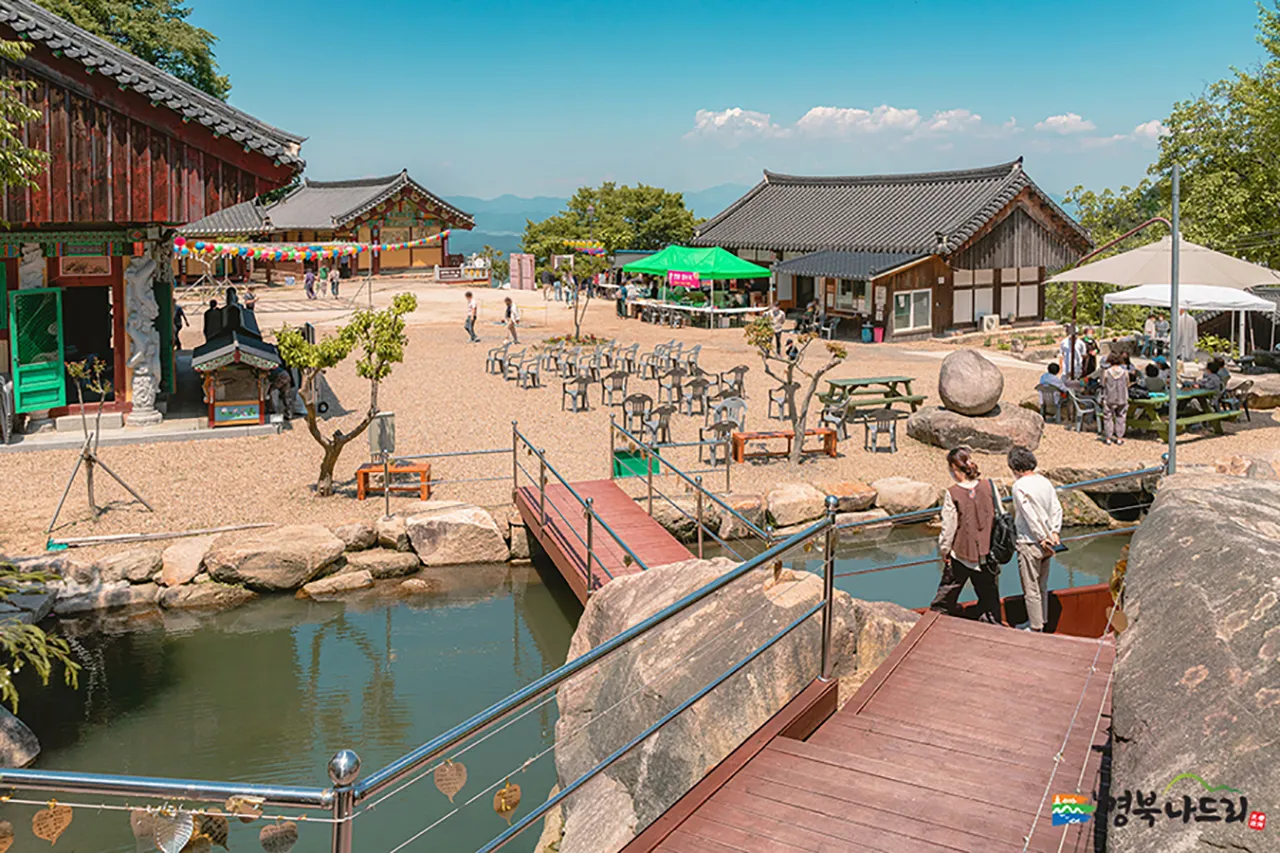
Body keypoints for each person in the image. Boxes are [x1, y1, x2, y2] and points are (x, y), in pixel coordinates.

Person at [930, 447, 1003, 624]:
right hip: (987, 551)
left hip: (962, 553)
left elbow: (949, 527)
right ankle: (993, 625)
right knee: (989, 596)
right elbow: (1000, 513)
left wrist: (944, 550)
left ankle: (936, 623)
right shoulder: (989, 486)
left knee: (945, 596)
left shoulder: (953, 493)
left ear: (955, 469)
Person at [1008, 448, 1063, 632]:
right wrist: (1054, 532)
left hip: (1030, 541)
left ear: (1014, 467)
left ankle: (1035, 626)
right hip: (1050, 541)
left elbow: (1028, 514)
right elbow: (1056, 507)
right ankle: (1042, 620)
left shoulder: (1019, 486)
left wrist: (1041, 537)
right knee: (1042, 584)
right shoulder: (1045, 482)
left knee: (1030, 587)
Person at [1100, 353, 1130, 445]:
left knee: (1108, 417)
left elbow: (1103, 383)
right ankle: (1119, 437)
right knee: (1121, 417)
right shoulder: (1125, 372)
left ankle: (1108, 437)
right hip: (1122, 397)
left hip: (1109, 397)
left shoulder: (1106, 372)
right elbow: (1127, 383)